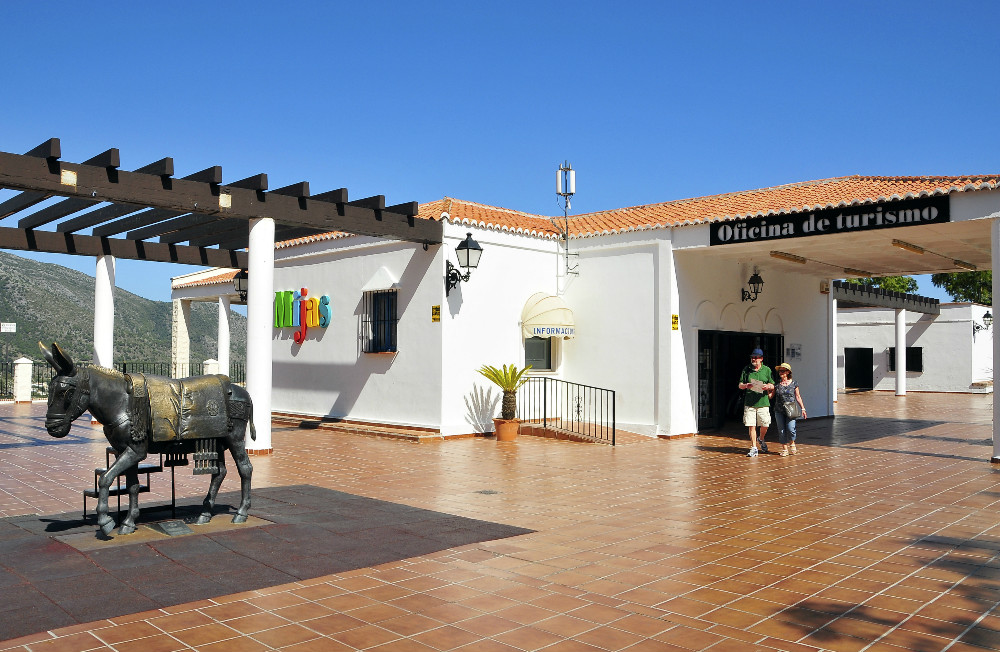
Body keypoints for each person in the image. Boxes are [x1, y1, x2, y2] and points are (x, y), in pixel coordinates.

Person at [738, 348, 775, 457]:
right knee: (751, 425)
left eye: (756, 357)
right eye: (752, 357)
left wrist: (768, 386)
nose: (753, 359)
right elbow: (740, 385)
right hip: (750, 402)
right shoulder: (746, 369)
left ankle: (761, 438)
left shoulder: (767, 370)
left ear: (761, 359)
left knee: (765, 424)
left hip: (763, 402)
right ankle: (754, 447)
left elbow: (773, 385)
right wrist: (746, 386)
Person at [773, 362, 806, 456]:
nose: (781, 373)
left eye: (783, 371)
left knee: (791, 428)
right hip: (779, 410)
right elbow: (771, 396)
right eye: (780, 371)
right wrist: (767, 389)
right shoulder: (777, 384)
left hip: (791, 409)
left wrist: (803, 409)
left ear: (788, 372)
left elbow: (798, 397)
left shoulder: (794, 383)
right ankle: (784, 449)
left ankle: (792, 442)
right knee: (781, 430)